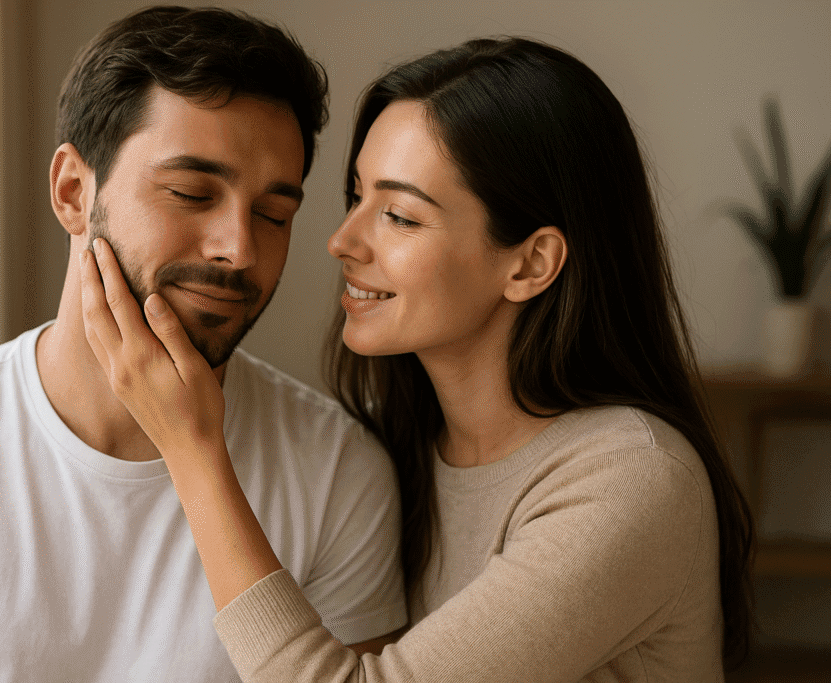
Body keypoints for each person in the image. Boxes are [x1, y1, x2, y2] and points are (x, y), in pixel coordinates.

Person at [79, 36, 755, 681]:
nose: (342, 240)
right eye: (356, 196)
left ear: (530, 263)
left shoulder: (632, 479)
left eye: (400, 216)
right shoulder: (394, 446)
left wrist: (192, 445)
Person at [0, 7, 408, 681]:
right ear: (72, 192)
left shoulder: (338, 471)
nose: (239, 249)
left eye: (273, 214)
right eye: (191, 193)